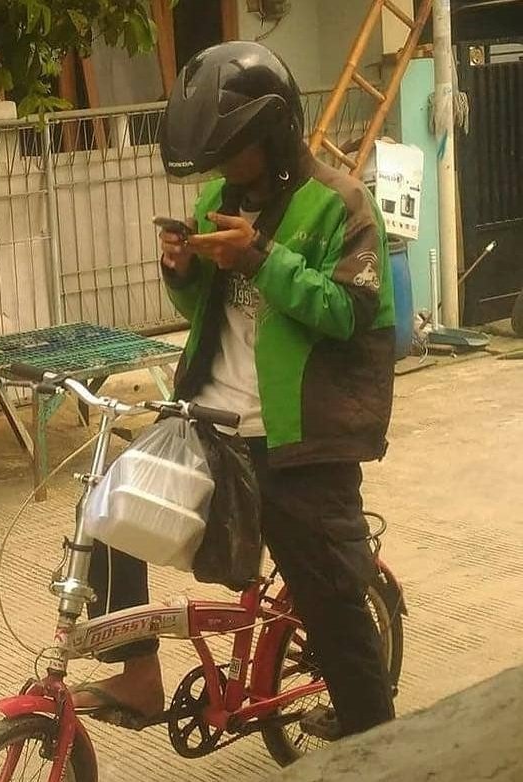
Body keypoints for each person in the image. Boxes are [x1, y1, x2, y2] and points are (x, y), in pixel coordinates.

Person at [72, 41, 397, 740]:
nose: (221, 170)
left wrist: (262, 258)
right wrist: (183, 269)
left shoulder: (340, 204)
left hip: (301, 443)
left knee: (335, 602)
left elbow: (351, 312)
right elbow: (206, 315)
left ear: (272, 135)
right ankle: (136, 673)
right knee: (110, 506)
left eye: (232, 152)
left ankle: (379, 740)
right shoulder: (220, 198)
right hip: (213, 427)